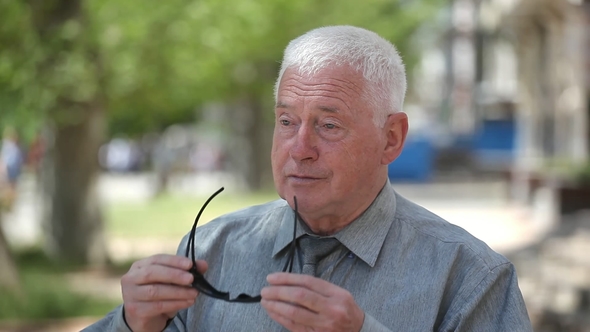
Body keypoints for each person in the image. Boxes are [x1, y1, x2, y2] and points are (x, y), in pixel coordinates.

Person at [84, 26, 532, 332]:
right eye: (286, 121)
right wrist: (131, 323)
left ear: (391, 139)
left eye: (329, 125)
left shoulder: (470, 278)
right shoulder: (209, 251)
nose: (299, 148)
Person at [0, 127, 24, 210]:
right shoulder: (9, 146)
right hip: (10, 169)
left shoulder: (12, 147)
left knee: (11, 185)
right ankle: (8, 203)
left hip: (12, 169)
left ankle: (9, 203)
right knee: (9, 186)